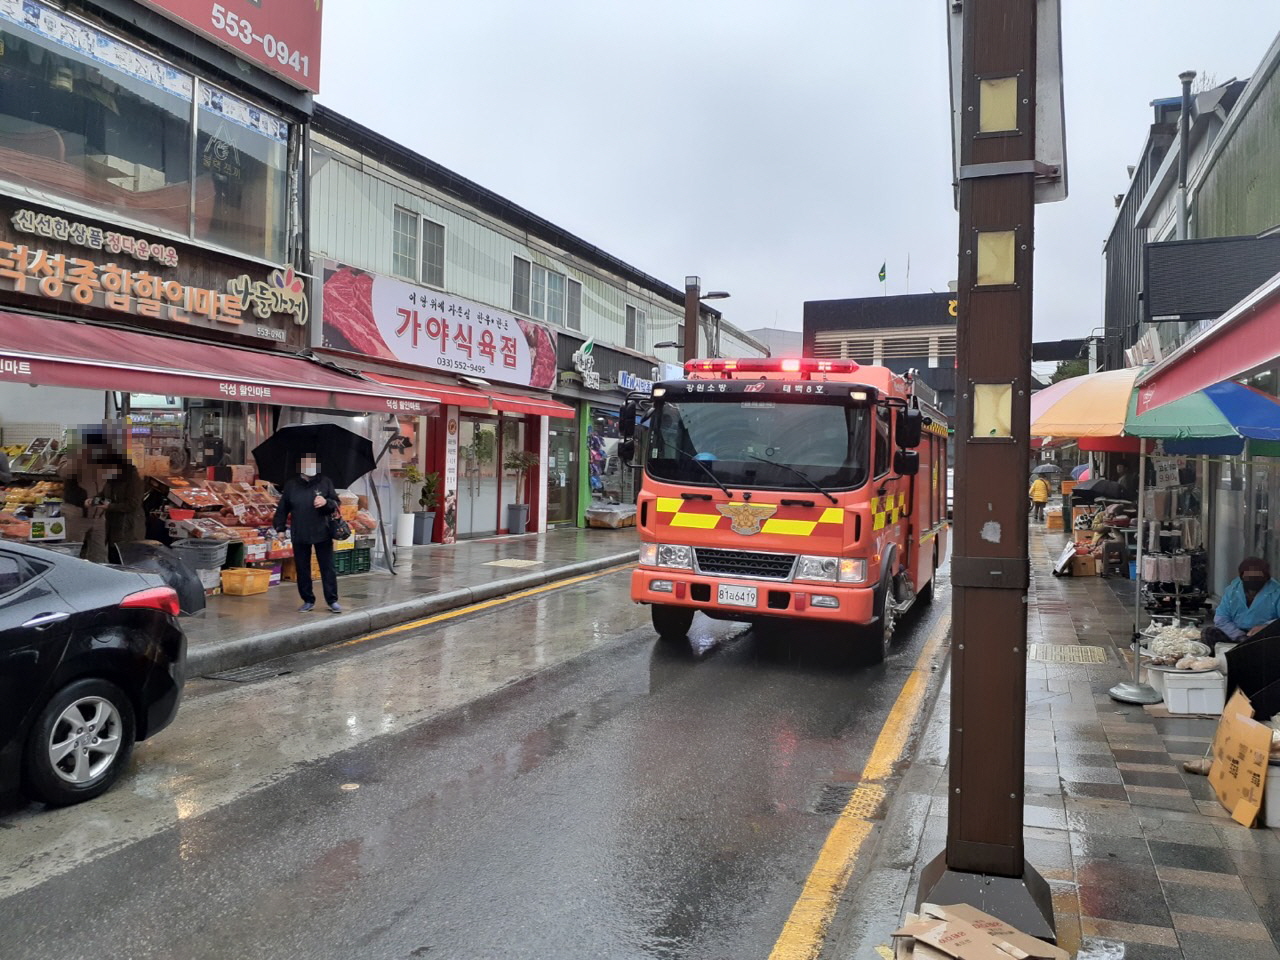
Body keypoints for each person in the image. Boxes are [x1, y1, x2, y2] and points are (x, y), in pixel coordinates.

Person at [272, 453, 341, 613]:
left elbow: (336, 503)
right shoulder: (291, 485)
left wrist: (326, 502)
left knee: (327, 567)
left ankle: (332, 600)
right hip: (300, 531)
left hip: (322, 531)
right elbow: (283, 508)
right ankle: (308, 600)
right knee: (302, 568)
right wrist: (280, 528)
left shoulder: (325, 482)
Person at [1203, 557, 1280, 645]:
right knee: (1208, 633)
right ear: (1242, 576)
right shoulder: (1233, 590)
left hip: (1264, 636)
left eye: (1257, 576)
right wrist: (1240, 636)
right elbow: (1221, 618)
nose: (1253, 579)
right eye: (1249, 576)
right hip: (1236, 633)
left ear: (1266, 577)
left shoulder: (1277, 592)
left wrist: (1265, 628)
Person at [96, 453, 145, 554]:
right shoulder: (110, 478)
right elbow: (105, 494)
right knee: (112, 554)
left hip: (127, 527)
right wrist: (96, 500)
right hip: (113, 526)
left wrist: (110, 506)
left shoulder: (132, 478)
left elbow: (133, 504)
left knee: (123, 556)